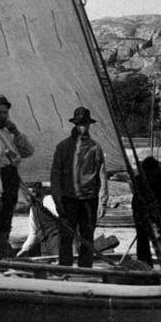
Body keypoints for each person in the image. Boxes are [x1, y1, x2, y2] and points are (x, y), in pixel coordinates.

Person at [50, 106, 106, 267]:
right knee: (66, 237)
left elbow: (102, 175)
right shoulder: (63, 147)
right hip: (68, 200)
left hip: (89, 199)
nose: (83, 127)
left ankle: (85, 270)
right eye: (80, 123)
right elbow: (55, 177)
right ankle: (65, 269)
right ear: (75, 124)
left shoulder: (96, 147)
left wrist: (103, 201)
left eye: (85, 123)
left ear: (89, 125)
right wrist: (57, 200)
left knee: (87, 237)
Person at [0, 95, 34, 259]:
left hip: (10, 182)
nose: (3, 116)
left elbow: (28, 151)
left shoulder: (6, 134)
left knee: (5, 224)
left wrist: (16, 131)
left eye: (5, 113)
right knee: (0, 225)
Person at [134, 155, 161, 265]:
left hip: (156, 207)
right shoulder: (140, 178)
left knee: (144, 236)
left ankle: (146, 261)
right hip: (145, 208)